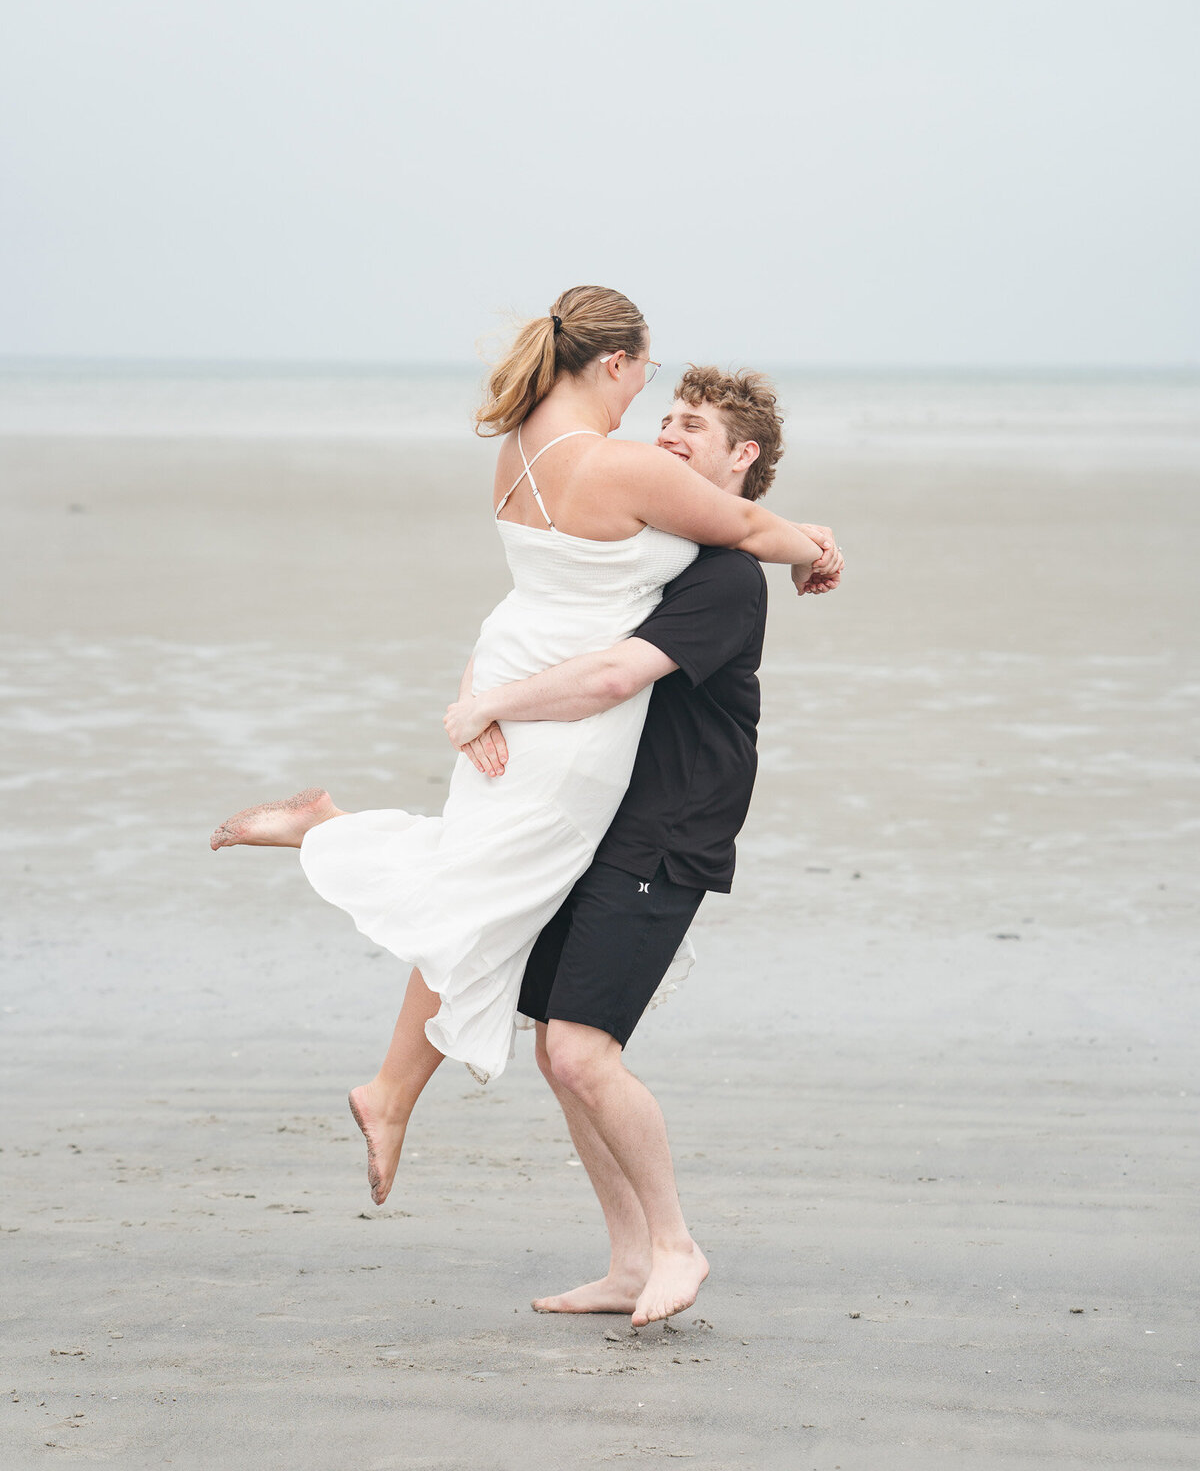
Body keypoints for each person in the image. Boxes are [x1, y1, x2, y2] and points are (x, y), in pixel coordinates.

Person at [209, 288, 838, 1208]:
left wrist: (480, 688)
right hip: (560, 715)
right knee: (486, 890)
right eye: (650, 383)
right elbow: (741, 529)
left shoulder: (517, 452)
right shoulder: (621, 467)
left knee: (481, 885)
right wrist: (818, 546)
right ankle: (329, 844)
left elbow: (541, 591)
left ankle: (387, 1081)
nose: (651, 411)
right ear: (615, 365)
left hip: (515, 666)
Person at [439, 366, 835, 1327]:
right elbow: (541, 622)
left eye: (693, 426)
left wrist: (486, 705)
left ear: (741, 458)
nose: (670, 433)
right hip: (595, 820)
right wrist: (480, 686)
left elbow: (614, 674)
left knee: (582, 1051)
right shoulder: (659, 543)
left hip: (668, 828)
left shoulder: (726, 574)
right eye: (666, 416)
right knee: (557, 1048)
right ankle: (626, 1262)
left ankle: (675, 1245)